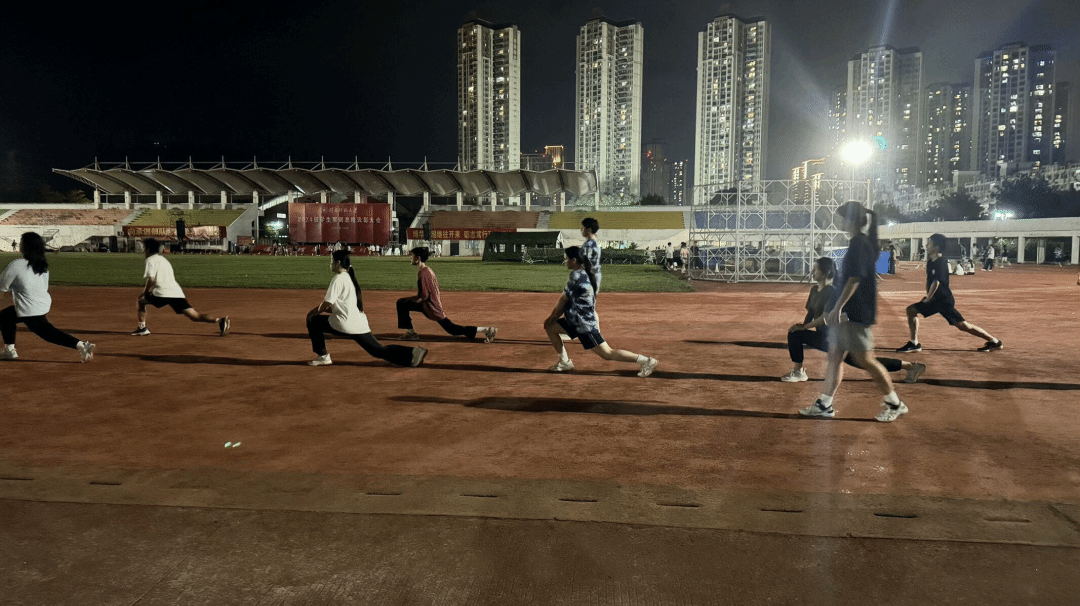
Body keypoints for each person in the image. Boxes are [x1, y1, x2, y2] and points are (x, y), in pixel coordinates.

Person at [798, 201, 908, 422]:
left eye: (840, 217)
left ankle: (895, 403)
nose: (837, 220)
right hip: (849, 312)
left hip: (856, 313)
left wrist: (837, 307)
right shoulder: (859, 243)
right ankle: (825, 403)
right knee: (835, 355)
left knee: (866, 360)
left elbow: (854, 280)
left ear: (850, 220)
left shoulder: (859, 244)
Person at [781, 257, 925, 384]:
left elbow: (825, 318)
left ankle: (911, 366)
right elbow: (811, 312)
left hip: (840, 338)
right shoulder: (814, 290)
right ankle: (799, 371)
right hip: (825, 336)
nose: (812, 272)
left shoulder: (832, 292)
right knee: (795, 333)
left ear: (825, 273)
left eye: (815, 269)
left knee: (865, 362)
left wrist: (805, 327)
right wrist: (802, 325)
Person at [543, 246, 659, 377]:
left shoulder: (576, 276)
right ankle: (564, 362)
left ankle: (647, 361)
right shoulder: (586, 273)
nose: (565, 261)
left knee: (607, 353)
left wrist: (552, 317)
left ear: (574, 260)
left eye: (566, 259)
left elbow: (563, 300)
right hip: (577, 320)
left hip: (583, 324)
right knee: (550, 327)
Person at [307, 250, 426, 367]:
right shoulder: (349, 277)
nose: (330, 264)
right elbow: (340, 306)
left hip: (344, 323)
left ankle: (323, 356)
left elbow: (327, 303)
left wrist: (314, 312)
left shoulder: (338, 279)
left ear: (338, 262)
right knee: (377, 350)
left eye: (331, 261)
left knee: (313, 321)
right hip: (359, 322)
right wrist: (323, 310)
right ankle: (413, 353)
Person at [895, 233, 1002, 353]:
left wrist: (928, 298)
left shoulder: (941, 262)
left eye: (929, 243)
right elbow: (930, 281)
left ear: (936, 246)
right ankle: (914, 343)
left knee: (962, 325)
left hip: (943, 301)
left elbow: (937, 282)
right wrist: (928, 295)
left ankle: (994, 341)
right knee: (912, 310)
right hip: (936, 300)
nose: (926, 245)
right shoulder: (931, 262)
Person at [0, 232, 96, 362]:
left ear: (26, 246)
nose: (20, 245)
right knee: (6, 316)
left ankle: (82, 345)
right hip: (41, 303)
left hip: (29, 309)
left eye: (22, 242)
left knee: (48, 334)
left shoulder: (16, 265)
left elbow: (2, 288)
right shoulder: (42, 265)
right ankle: (9, 350)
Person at [131, 238, 230, 337]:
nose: (144, 250)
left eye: (145, 248)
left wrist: (145, 292)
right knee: (194, 316)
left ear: (148, 249)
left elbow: (151, 279)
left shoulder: (150, 260)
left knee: (141, 301)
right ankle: (219, 320)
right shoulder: (164, 260)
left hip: (162, 293)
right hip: (176, 292)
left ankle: (142, 328)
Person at [397, 247, 498, 343]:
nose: (410, 257)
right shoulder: (426, 270)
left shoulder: (423, 273)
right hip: (428, 303)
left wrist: (411, 300)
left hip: (431, 306)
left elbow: (424, 296)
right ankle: (411, 333)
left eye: (412, 255)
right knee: (401, 303)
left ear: (418, 258)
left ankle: (487, 330)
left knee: (452, 329)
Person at [581, 217, 602, 292]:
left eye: (583, 228)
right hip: (596, 275)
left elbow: (587, 263)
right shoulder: (595, 242)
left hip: (589, 276)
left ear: (589, 230)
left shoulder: (588, 244)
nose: (581, 230)